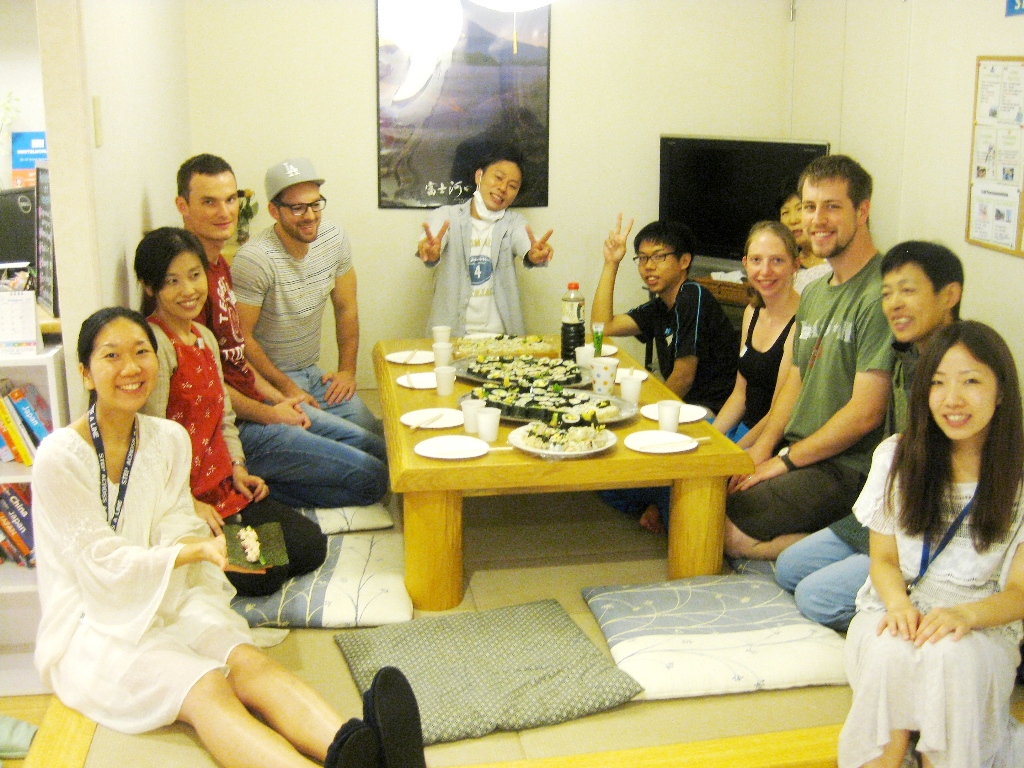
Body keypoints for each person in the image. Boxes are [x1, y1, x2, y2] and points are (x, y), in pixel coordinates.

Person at [31, 307, 426, 768]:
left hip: (208, 535)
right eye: (112, 356)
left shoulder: (175, 417)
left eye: (141, 352)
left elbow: (210, 455)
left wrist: (224, 506)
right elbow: (100, 564)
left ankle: (357, 748)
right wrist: (200, 546)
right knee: (206, 686)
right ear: (85, 373)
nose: (131, 367)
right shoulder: (60, 457)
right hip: (96, 621)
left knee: (253, 649)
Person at [839, 320, 1024, 768]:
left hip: (982, 617)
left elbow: (1019, 592)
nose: (952, 399)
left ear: (1001, 391)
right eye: (938, 383)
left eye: (971, 381)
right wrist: (899, 606)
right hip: (898, 602)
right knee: (889, 649)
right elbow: (884, 561)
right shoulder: (896, 456)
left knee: (950, 658)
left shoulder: (1017, 474)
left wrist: (965, 615)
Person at [175, 154, 388, 511]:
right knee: (374, 477)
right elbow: (212, 385)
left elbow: (235, 358)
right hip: (245, 418)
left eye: (229, 200)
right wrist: (278, 404)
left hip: (273, 389)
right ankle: (251, 493)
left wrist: (340, 374)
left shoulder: (219, 267)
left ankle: (273, 472)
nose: (224, 212)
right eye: (209, 202)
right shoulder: (203, 281)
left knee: (381, 444)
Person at [776, 242, 964, 631]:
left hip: (932, 526)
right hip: (891, 510)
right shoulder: (907, 356)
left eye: (907, 291)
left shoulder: (961, 366)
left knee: (815, 597)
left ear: (949, 295)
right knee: (789, 568)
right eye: (887, 293)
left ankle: (919, 607)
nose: (894, 304)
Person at [135, 227, 327, 597]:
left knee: (310, 545)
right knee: (268, 573)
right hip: (186, 501)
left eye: (195, 275)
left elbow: (223, 418)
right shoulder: (154, 345)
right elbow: (149, 438)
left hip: (223, 486)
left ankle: (238, 540)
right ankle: (210, 552)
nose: (189, 290)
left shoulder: (204, 337)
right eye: (172, 281)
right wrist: (189, 503)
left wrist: (238, 468)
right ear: (149, 287)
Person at [725, 155, 894, 560]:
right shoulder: (815, 292)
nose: (817, 220)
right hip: (800, 452)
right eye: (809, 206)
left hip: (847, 467)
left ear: (862, 211)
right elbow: (795, 383)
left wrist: (784, 462)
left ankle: (861, 543)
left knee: (724, 526)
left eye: (832, 206)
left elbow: (866, 413)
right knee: (709, 494)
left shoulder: (883, 292)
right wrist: (763, 450)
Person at [594, 216, 739, 533]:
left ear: (684, 261)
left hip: (710, 417)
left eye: (659, 257)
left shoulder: (692, 295)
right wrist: (611, 263)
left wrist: (642, 413)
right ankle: (659, 499)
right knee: (601, 478)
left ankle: (666, 502)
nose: (649, 266)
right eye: (642, 258)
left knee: (625, 452)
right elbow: (603, 326)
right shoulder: (661, 306)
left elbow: (684, 376)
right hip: (679, 410)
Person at [232, 157, 381, 437]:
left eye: (315, 204)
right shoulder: (255, 259)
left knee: (374, 430)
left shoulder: (333, 239)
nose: (310, 216)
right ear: (274, 211)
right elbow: (242, 338)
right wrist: (287, 387)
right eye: (298, 208)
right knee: (360, 442)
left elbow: (346, 307)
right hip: (268, 381)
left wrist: (347, 371)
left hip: (312, 372)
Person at [417, 145, 554, 336]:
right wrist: (429, 250)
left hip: (501, 338)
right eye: (498, 177)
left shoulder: (513, 223)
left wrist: (535, 253)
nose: (502, 188)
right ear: (479, 176)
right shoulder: (447, 216)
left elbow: (526, 241)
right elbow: (431, 240)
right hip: (451, 337)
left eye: (512, 186)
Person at [712, 221, 800, 446]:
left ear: (795, 265)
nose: (765, 271)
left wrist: (732, 452)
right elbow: (740, 395)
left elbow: (777, 414)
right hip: (744, 430)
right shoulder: (751, 312)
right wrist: (712, 440)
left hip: (773, 440)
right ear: (745, 263)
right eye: (756, 260)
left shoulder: (801, 323)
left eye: (777, 260)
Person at [779, 179, 831, 293]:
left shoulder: (837, 261)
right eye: (785, 212)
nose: (793, 220)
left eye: (800, 209)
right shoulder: (786, 265)